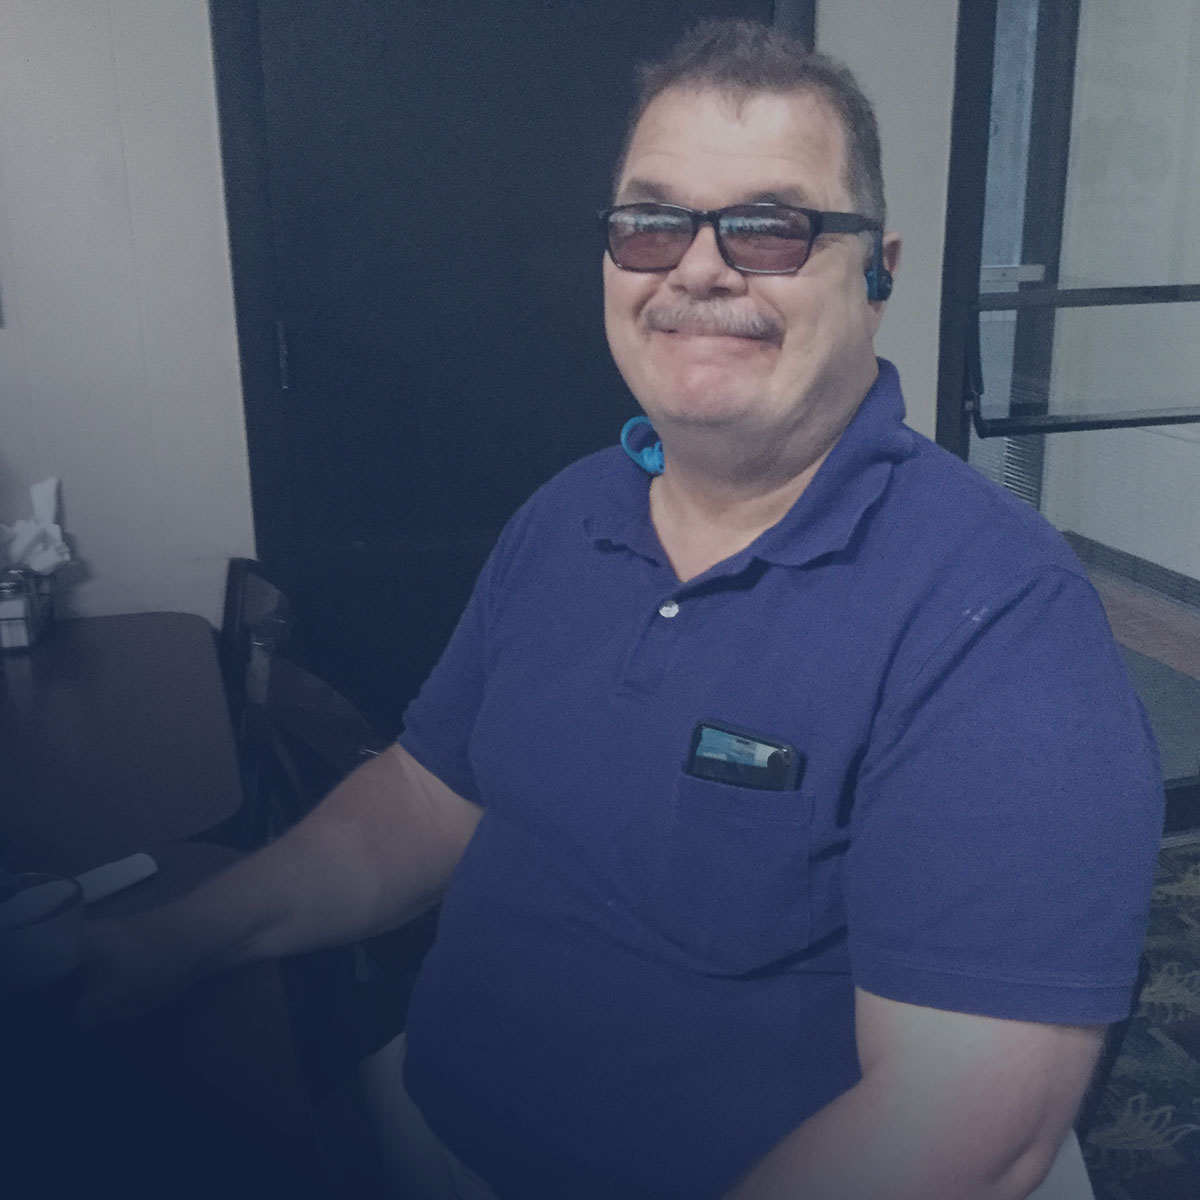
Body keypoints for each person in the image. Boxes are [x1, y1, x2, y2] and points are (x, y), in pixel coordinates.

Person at [80, 20, 1163, 1200]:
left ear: (878, 267)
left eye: (768, 224)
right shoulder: (569, 517)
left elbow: (967, 1133)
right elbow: (425, 798)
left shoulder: (997, 620)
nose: (697, 268)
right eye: (652, 222)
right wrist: (170, 940)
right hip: (430, 1116)